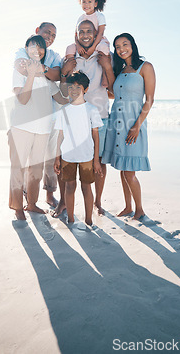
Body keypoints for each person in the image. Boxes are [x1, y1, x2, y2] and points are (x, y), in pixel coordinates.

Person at [57, 20, 115, 216]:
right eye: (81, 32)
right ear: (76, 34)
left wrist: (107, 66)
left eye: (89, 31)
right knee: (69, 160)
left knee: (98, 161)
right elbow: (63, 89)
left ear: (96, 32)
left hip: (99, 114)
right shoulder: (71, 56)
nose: (85, 35)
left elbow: (113, 90)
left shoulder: (104, 53)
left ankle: (97, 202)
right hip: (73, 116)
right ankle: (64, 203)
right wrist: (65, 71)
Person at [8, 35, 68, 220]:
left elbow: (63, 99)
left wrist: (67, 76)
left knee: (36, 170)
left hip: (43, 130)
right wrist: (32, 74)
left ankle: (32, 204)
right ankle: (18, 207)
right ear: (26, 48)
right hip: (21, 128)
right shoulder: (20, 72)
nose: (37, 50)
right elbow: (23, 99)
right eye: (33, 47)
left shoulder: (47, 78)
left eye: (41, 48)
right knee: (18, 169)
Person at [101, 33, 156, 220]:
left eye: (125, 44)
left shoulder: (145, 67)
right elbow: (114, 94)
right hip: (116, 120)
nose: (121, 48)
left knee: (130, 171)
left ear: (132, 45)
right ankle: (128, 207)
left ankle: (140, 209)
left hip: (133, 122)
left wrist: (137, 126)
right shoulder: (121, 70)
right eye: (117, 46)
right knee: (123, 168)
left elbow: (149, 100)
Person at [54, 71, 103, 226]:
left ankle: (88, 220)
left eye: (78, 87)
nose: (74, 90)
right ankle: (70, 219)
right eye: (71, 87)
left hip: (87, 156)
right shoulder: (63, 110)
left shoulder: (91, 109)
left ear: (85, 89)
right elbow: (60, 136)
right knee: (69, 187)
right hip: (67, 156)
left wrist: (96, 160)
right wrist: (57, 157)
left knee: (86, 188)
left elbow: (96, 136)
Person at [65, 0, 110, 86]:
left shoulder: (100, 16)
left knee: (104, 48)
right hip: (82, 41)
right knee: (70, 48)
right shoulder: (81, 18)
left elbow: (100, 33)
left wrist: (93, 47)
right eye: (84, 1)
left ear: (95, 3)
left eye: (90, 1)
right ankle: (70, 74)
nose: (86, 4)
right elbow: (76, 35)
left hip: (98, 40)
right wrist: (78, 45)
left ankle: (105, 76)